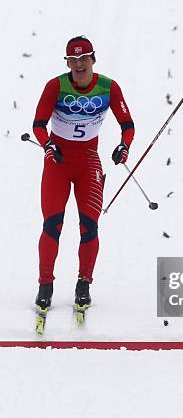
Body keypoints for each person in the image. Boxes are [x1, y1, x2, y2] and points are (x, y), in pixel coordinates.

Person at [33, 35, 134, 311]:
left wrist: (124, 146)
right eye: (73, 60)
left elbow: (128, 125)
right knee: (52, 225)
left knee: (89, 226)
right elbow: (39, 124)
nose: (79, 65)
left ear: (93, 59)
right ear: (68, 62)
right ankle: (45, 285)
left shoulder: (108, 87)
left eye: (84, 58)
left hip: (89, 162)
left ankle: (84, 284)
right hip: (58, 163)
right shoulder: (56, 86)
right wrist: (48, 145)